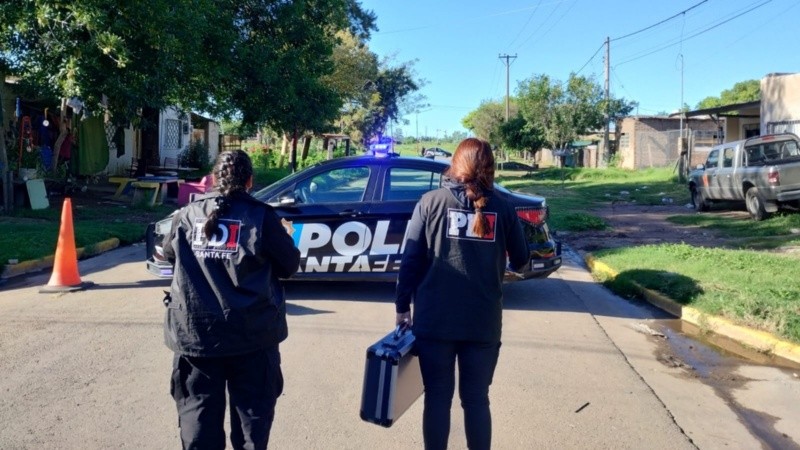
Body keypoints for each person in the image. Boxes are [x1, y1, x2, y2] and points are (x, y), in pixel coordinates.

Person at [395, 137, 529, 450]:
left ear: (455, 166)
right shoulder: (504, 209)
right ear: (491, 168)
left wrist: (402, 307)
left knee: (438, 399)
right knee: (477, 401)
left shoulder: (430, 202)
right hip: (482, 323)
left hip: (435, 322)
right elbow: (523, 259)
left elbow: (410, 261)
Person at [162, 149, 300, 450]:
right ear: (249, 181)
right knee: (252, 427)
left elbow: (168, 256)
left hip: (196, 337)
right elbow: (289, 265)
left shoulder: (186, 214)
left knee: (198, 425)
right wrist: (284, 235)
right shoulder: (263, 217)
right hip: (252, 336)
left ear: (213, 179)